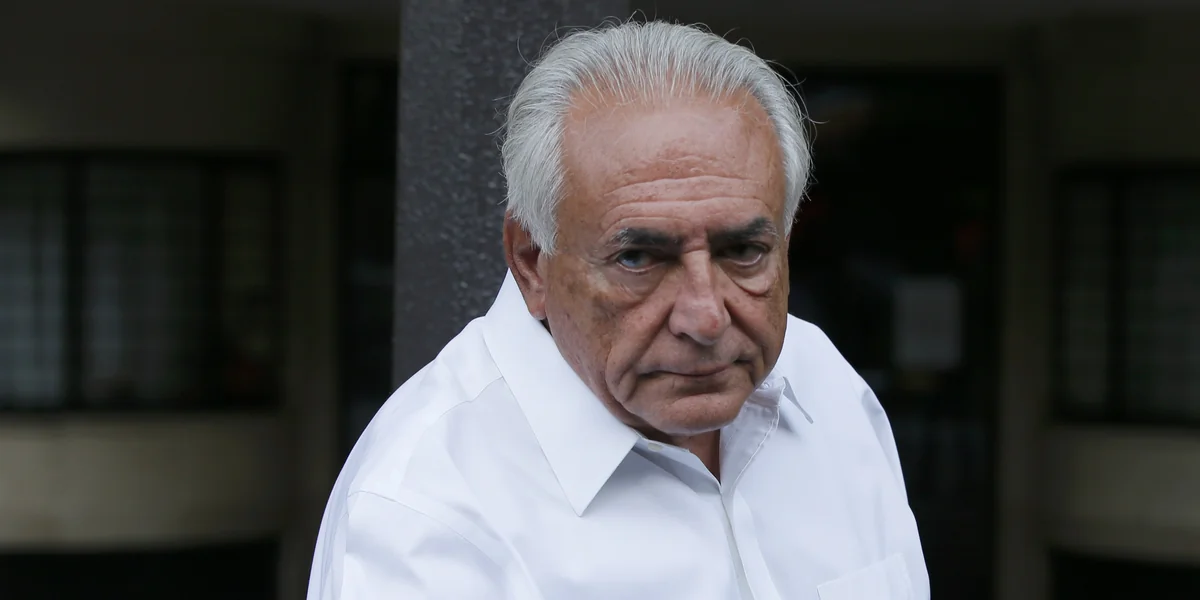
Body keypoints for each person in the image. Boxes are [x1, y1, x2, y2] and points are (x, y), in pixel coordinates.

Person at [308, 20, 928, 600]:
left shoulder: (825, 386)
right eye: (639, 259)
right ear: (531, 261)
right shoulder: (424, 509)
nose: (706, 317)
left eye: (742, 252)